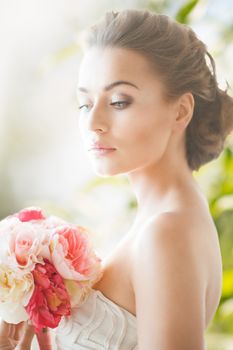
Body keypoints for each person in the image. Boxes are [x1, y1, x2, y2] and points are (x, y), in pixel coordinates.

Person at [1, 8, 233, 350]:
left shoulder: (166, 233)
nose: (94, 122)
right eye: (85, 104)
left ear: (181, 110)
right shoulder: (168, 223)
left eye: (119, 101)